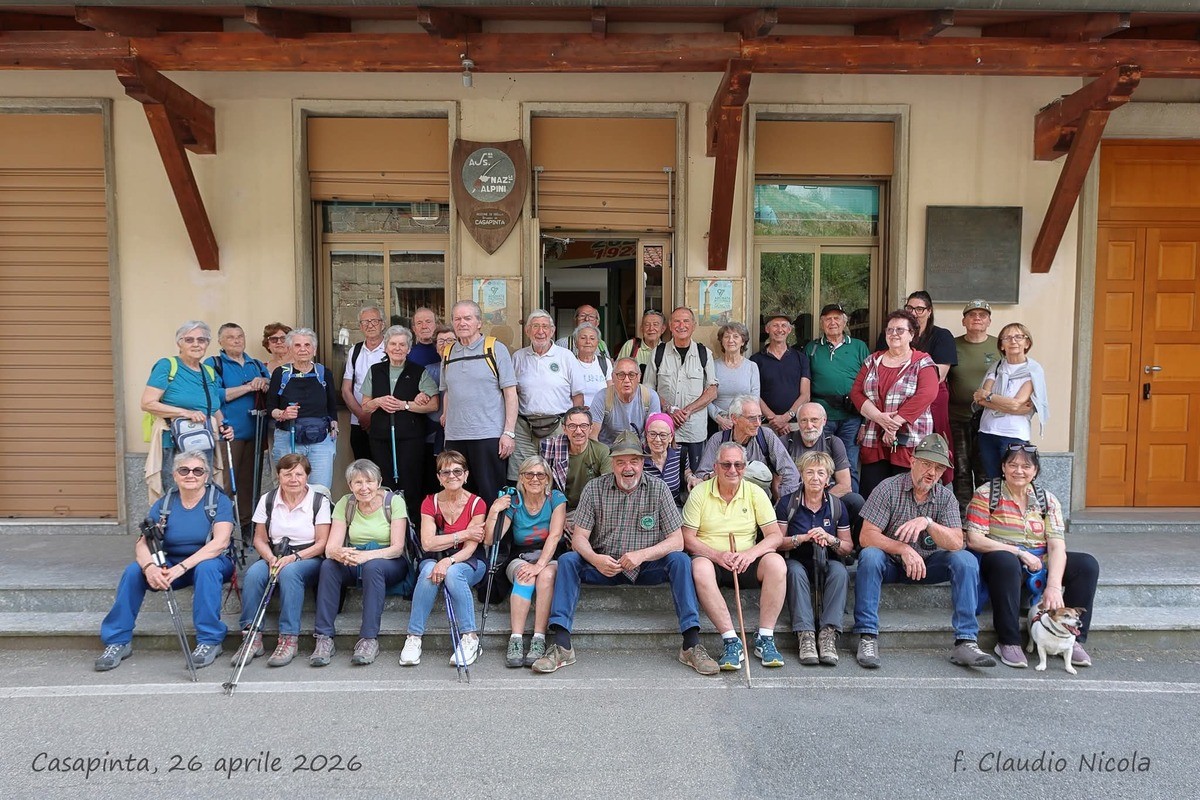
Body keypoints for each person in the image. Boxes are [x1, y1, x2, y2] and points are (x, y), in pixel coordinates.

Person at [532, 432, 719, 676]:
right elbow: (579, 538)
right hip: (604, 565)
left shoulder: (658, 489)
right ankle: (562, 644)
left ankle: (691, 644)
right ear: (612, 464)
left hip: (646, 567)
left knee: (680, 560)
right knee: (568, 560)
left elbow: (677, 540)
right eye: (620, 462)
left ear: (643, 462)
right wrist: (596, 560)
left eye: (633, 461)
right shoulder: (595, 488)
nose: (627, 467)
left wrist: (642, 555)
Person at [852, 434, 995, 670]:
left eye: (938, 468)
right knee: (869, 556)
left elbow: (957, 542)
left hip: (928, 565)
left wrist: (928, 522)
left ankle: (966, 641)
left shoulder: (945, 497)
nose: (932, 472)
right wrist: (903, 548)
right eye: (927, 464)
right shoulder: (888, 488)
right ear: (912, 460)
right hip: (891, 564)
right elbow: (866, 536)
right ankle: (867, 636)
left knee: (966, 560)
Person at [95, 452, 235, 672]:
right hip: (170, 564)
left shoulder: (218, 501)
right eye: (184, 470)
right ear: (175, 475)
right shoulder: (165, 503)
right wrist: (149, 567)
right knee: (133, 571)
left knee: (207, 568)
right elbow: (143, 543)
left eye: (198, 470)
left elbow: (220, 542)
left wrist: (181, 568)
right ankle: (117, 641)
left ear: (206, 475)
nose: (191, 475)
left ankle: (209, 641)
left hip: (210, 561)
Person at [966, 445, 1099, 668]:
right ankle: (1008, 641)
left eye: (1026, 466)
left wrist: (1054, 586)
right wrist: (1019, 552)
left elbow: (1057, 546)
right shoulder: (986, 494)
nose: (1019, 471)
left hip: (1041, 560)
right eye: (1013, 465)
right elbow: (974, 539)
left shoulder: (1047, 499)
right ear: (1003, 467)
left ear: (1035, 471)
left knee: (1086, 565)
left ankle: (1071, 637)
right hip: (1002, 556)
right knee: (1006, 562)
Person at [683, 441, 788, 669]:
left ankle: (765, 638)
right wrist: (717, 555)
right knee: (698, 566)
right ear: (715, 466)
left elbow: (774, 536)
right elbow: (687, 538)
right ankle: (731, 640)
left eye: (738, 465)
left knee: (776, 563)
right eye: (726, 464)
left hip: (746, 561)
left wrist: (750, 554)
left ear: (745, 467)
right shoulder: (700, 493)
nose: (732, 470)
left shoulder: (755, 493)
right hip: (713, 562)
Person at [230, 454, 331, 668]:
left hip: (307, 557)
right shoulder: (268, 499)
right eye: (287, 474)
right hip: (274, 554)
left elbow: (322, 543)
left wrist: (293, 558)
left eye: (299, 474)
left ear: (307, 476)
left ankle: (288, 638)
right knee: (254, 574)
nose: (293, 479)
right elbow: (259, 538)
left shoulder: (318, 501)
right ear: (279, 476)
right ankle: (252, 636)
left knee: (289, 572)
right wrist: (270, 558)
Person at [310, 459, 409, 667]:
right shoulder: (346, 503)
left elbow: (397, 548)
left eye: (369, 482)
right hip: (356, 558)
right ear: (350, 486)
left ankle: (368, 639)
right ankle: (324, 638)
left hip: (389, 561)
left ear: (379, 482)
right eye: (358, 483)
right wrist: (339, 554)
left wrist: (367, 556)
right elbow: (330, 548)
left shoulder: (394, 502)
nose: (364, 488)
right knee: (328, 566)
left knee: (373, 567)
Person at [400, 450, 489, 667]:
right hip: (435, 557)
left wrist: (447, 560)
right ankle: (414, 638)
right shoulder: (429, 502)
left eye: (458, 471)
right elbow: (428, 543)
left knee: (454, 572)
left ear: (466, 475)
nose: (452, 476)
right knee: (429, 572)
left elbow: (469, 549)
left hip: (468, 562)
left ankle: (470, 637)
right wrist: (464, 534)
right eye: (446, 471)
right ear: (439, 477)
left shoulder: (478, 503)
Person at [484, 455, 567, 668]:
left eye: (540, 474)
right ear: (521, 478)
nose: (535, 479)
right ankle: (516, 640)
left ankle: (539, 638)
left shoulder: (556, 499)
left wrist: (539, 566)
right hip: (520, 556)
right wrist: (494, 510)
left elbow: (555, 535)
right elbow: (491, 538)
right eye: (529, 474)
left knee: (546, 575)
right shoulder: (514, 502)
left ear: (548, 478)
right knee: (524, 578)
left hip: (549, 555)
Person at [852, 309, 939, 503]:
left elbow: (927, 394)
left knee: (907, 495)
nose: (894, 334)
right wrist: (879, 418)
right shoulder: (872, 360)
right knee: (873, 495)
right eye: (890, 330)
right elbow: (856, 393)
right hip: (875, 438)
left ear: (912, 334)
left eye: (900, 330)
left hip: (909, 440)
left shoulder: (922, 362)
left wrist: (894, 424)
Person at [140, 320, 232, 501]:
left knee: (203, 488)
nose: (196, 344)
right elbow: (147, 403)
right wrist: (185, 413)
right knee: (175, 490)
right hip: (174, 441)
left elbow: (213, 407)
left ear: (207, 343)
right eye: (189, 340)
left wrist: (224, 426)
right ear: (179, 343)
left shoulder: (209, 372)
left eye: (202, 340)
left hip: (203, 440)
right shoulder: (168, 366)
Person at [360, 324, 440, 522]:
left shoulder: (418, 371)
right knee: (383, 483)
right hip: (380, 437)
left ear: (409, 348)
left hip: (410, 438)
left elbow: (433, 405)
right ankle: (386, 526)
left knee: (411, 484)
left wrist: (404, 405)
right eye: (393, 344)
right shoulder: (375, 370)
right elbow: (365, 406)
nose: (397, 348)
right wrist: (378, 402)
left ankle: (412, 530)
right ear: (386, 347)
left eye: (402, 344)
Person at [440, 300, 518, 504]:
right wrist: (446, 416)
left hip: (488, 435)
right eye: (457, 319)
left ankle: (496, 537)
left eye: (468, 318)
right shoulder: (448, 353)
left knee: (491, 494)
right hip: (455, 437)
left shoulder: (495, 349)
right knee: (460, 495)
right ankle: (467, 536)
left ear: (479, 322)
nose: (462, 323)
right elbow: (447, 390)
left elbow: (510, 393)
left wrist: (508, 433)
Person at [781, 451, 853, 666]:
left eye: (820, 473)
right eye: (809, 472)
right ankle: (805, 635)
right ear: (801, 475)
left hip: (827, 560)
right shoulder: (788, 503)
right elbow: (777, 541)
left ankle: (828, 634)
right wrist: (803, 537)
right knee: (793, 571)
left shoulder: (837, 506)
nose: (815, 477)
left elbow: (847, 548)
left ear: (828, 478)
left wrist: (831, 539)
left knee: (840, 572)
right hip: (797, 559)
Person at [882, 291, 958, 485]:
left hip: (931, 400)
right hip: (894, 401)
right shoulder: (894, 334)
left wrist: (908, 389)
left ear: (929, 311)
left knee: (933, 445)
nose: (914, 312)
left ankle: (936, 483)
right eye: (910, 308)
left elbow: (939, 375)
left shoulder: (941, 336)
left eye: (919, 309)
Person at [694, 395, 799, 519]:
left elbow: (791, 473)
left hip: (758, 507)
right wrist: (716, 475)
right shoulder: (718, 440)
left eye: (760, 417)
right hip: (723, 507)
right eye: (752, 418)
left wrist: (782, 505)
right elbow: (701, 476)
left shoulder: (766, 436)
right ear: (734, 418)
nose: (758, 424)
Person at [207, 322, 270, 525]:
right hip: (229, 433)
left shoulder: (257, 365)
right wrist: (250, 387)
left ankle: (246, 527)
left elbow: (272, 388)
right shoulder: (213, 363)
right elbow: (214, 395)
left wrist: (265, 383)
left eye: (240, 336)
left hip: (256, 433)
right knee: (226, 484)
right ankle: (223, 529)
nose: (237, 340)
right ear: (220, 342)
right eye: (231, 337)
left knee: (250, 485)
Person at [511, 309, 586, 480]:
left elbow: (578, 397)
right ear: (527, 331)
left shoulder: (566, 357)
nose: (540, 331)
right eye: (535, 326)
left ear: (552, 331)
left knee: (556, 476)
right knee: (524, 475)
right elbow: (511, 394)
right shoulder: (518, 357)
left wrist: (574, 426)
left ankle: (555, 507)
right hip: (524, 428)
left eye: (545, 327)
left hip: (557, 425)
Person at [643, 306, 718, 471]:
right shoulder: (658, 352)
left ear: (693, 325)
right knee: (666, 477)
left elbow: (712, 391)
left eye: (686, 321)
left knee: (694, 478)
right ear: (670, 326)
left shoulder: (704, 353)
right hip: (664, 431)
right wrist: (669, 409)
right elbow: (647, 389)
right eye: (676, 321)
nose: (681, 325)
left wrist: (688, 410)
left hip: (694, 431)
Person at [805, 303, 870, 491]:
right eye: (827, 319)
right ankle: (820, 509)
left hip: (851, 417)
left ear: (844, 321)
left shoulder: (859, 347)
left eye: (836, 318)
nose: (832, 322)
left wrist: (865, 422)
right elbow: (804, 382)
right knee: (818, 466)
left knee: (849, 465)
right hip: (820, 419)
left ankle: (849, 511)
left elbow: (869, 385)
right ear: (821, 323)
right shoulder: (812, 348)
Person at [972, 322, 1049, 481]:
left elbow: (1016, 402)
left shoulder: (1033, 370)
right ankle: (996, 507)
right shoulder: (996, 367)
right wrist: (1012, 406)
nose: (1013, 341)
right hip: (988, 432)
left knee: (1015, 481)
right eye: (1007, 337)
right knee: (993, 481)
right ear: (1001, 344)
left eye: (1019, 337)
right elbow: (980, 398)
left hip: (1015, 435)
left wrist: (991, 397)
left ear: (1027, 343)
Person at [267, 328, 338, 493]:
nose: (303, 349)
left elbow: (332, 406)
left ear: (314, 349)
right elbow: (271, 408)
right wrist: (283, 414)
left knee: (320, 490)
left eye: (307, 345)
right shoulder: (281, 374)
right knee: (288, 489)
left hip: (320, 439)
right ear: (290, 349)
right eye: (297, 345)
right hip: (288, 437)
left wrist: (334, 426)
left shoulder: (323, 373)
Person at [949, 300, 999, 505]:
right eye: (971, 314)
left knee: (984, 469)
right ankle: (962, 518)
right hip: (957, 418)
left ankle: (982, 515)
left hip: (988, 419)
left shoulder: (999, 346)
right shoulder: (952, 345)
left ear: (989, 321)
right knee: (960, 469)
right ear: (963, 320)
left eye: (982, 315)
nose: (977, 318)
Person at [787, 402, 864, 529]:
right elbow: (778, 483)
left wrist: (819, 500)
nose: (809, 426)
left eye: (814, 420)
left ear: (824, 420)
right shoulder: (786, 442)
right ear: (798, 422)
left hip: (829, 495)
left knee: (856, 501)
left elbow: (845, 486)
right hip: (796, 497)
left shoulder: (833, 442)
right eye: (804, 420)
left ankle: (856, 545)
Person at [540, 406, 612, 532]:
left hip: (592, 510)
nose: (578, 431)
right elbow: (543, 487)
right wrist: (558, 515)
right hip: (560, 508)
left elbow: (607, 491)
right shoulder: (551, 448)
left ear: (591, 428)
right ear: (564, 429)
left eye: (583, 426)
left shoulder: (602, 451)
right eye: (572, 426)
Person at [751, 312, 811, 441]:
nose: (780, 330)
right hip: (765, 424)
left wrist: (785, 418)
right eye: (775, 326)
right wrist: (774, 419)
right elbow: (753, 393)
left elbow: (805, 394)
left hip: (794, 424)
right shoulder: (755, 360)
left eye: (784, 326)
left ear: (789, 330)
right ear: (767, 329)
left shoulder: (801, 358)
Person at [341, 305, 388, 461]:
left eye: (374, 321)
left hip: (385, 420)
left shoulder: (391, 348)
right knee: (362, 467)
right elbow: (346, 389)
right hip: (358, 421)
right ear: (360, 326)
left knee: (384, 468)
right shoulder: (355, 350)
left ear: (383, 324)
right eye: (365, 322)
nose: (370, 325)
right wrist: (362, 415)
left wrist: (372, 415)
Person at [589, 356, 662, 445]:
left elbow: (654, 434)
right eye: (621, 375)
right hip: (609, 453)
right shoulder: (602, 397)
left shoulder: (650, 397)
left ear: (639, 377)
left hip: (639, 451)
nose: (626, 380)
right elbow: (592, 437)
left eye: (631, 375)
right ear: (612, 377)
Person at [709, 321, 760, 434]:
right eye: (726, 336)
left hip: (744, 424)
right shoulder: (712, 365)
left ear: (743, 342)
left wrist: (739, 419)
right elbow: (705, 398)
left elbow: (755, 398)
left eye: (736, 336)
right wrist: (720, 419)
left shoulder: (752, 367)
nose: (730, 340)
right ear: (722, 342)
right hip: (717, 424)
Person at [642, 412, 691, 506]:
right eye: (652, 434)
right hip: (646, 508)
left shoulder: (680, 453)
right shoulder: (639, 457)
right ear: (646, 436)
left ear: (671, 437)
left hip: (674, 506)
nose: (657, 439)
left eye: (663, 435)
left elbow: (686, 472)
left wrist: (691, 478)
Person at [616, 309, 666, 376]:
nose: (651, 328)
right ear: (642, 328)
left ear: (663, 329)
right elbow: (618, 372)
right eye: (647, 325)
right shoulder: (631, 346)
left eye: (655, 324)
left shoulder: (667, 350)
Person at [573, 322, 612, 397]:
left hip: (600, 408)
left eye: (592, 338)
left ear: (597, 343)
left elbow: (610, 391)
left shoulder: (605, 363)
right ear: (576, 343)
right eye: (583, 338)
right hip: (576, 408)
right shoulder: (570, 363)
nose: (588, 342)